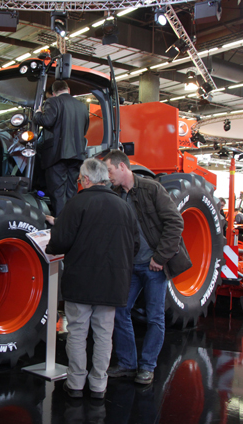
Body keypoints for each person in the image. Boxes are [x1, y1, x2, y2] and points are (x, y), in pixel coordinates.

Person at [46, 158, 139, 399]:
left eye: (79, 179)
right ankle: (99, 384)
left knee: (77, 333)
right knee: (103, 335)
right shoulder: (123, 206)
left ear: (86, 180)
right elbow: (135, 244)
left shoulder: (77, 204)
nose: (79, 183)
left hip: (81, 282)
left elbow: (60, 242)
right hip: (112, 285)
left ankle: (76, 384)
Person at [103, 149, 191, 385]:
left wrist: (160, 258)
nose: (107, 175)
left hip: (154, 267)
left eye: (109, 170)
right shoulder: (115, 194)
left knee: (155, 317)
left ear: (122, 167)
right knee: (120, 311)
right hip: (130, 267)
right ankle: (127, 363)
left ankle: (148, 366)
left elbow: (175, 222)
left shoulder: (152, 189)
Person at [34, 80, 89, 216]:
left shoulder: (53, 101)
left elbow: (47, 121)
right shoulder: (82, 106)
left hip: (57, 155)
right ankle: (71, 220)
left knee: (58, 191)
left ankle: (61, 223)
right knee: (71, 190)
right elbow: (85, 129)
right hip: (77, 154)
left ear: (53, 93)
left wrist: (38, 113)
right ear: (68, 90)